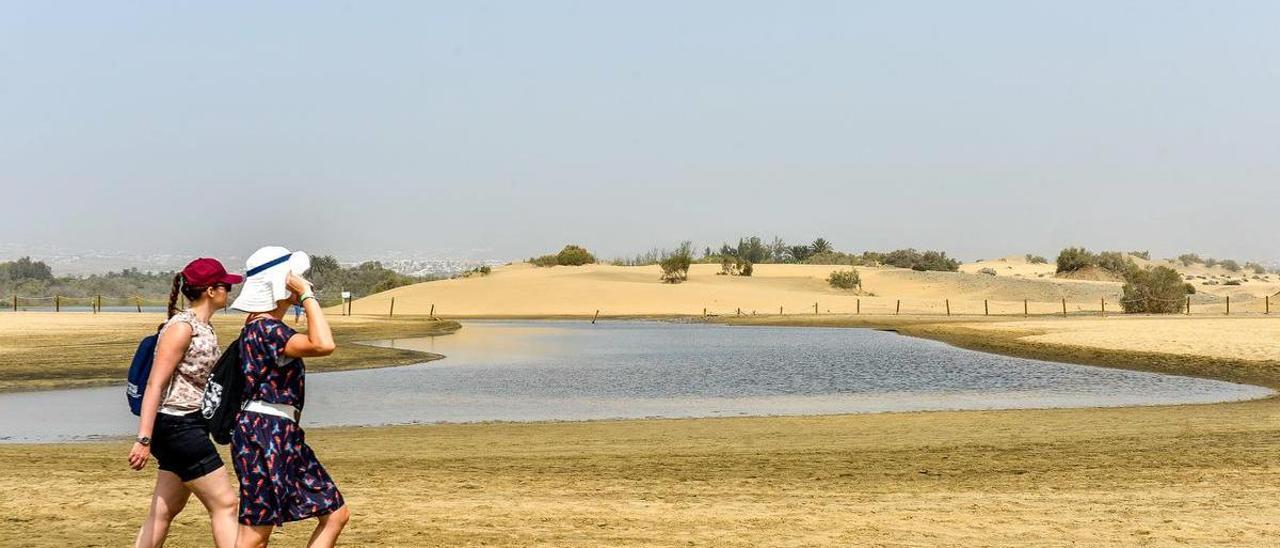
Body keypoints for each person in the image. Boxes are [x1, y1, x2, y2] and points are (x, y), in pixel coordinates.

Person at [228, 246, 348, 548]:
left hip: (280, 431)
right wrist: (307, 295)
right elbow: (323, 344)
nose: (300, 279)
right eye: (294, 276)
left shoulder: (260, 327)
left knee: (335, 512)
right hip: (265, 431)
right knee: (256, 533)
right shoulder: (268, 329)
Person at [128, 258, 244, 548]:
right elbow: (156, 383)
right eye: (226, 286)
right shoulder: (182, 327)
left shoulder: (203, 327)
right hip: (177, 427)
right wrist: (144, 438)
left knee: (164, 511)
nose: (229, 291)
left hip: (186, 425)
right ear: (210, 290)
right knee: (226, 504)